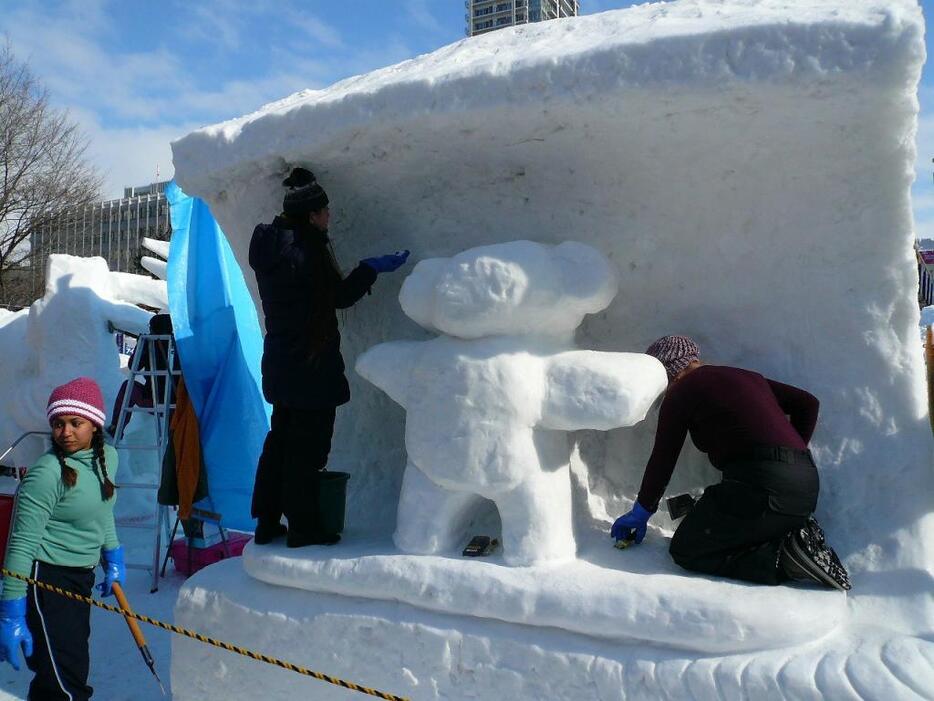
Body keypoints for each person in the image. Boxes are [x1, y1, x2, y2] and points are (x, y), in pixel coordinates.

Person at [611, 335, 851, 591]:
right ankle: (793, 535)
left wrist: (642, 512)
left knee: (687, 549)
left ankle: (785, 560)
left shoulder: (682, 391)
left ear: (667, 372)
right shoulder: (746, 377)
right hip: (805, 482)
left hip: (763, 487)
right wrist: (790, 457)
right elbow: (807, 403)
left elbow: (663, 458)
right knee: (725, 507)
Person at [249, 167, 410, 548]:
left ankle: (268, 522)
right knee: (306, 450)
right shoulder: (304, 253)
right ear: (309, 216)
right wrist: (370, 269)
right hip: (310, 365)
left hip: (282, 362)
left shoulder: (274, 247)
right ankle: (304, 528)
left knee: (280, 444)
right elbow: (336, 297)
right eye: (323, 212)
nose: (328, 218)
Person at [0, 377, 125, 700]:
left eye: (75, 422)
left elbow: (101, 508)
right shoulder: (47, 473)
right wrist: (11, 611)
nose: (65, 432)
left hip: (80, 577)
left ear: (95, 425)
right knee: (64, 682)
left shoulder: (107, 458)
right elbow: (21, 544)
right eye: (57, 423)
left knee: (66, 667)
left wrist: (113, 555)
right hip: (46, 581)